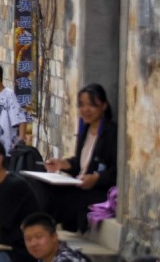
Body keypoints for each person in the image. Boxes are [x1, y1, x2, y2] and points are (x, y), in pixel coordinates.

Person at [43, 84, 118, 233]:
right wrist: (62, 164)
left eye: (91, 105)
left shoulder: (111, 132)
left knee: (65, 199)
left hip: (100, 190)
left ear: (103, 106)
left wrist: (96, 178)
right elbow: (79, 164)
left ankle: (48, 234)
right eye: (82, 105)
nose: (85, 110)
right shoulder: (85, 129)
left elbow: (116, 171)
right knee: (44, 190)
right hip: (82, 184)